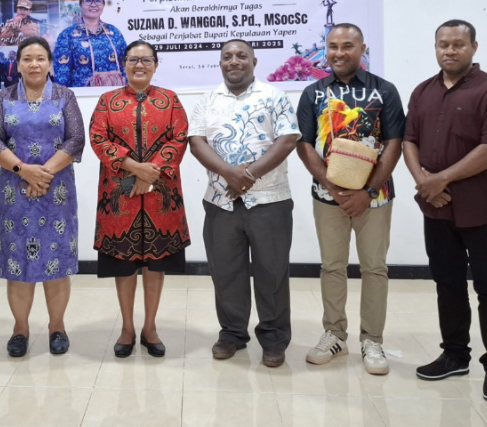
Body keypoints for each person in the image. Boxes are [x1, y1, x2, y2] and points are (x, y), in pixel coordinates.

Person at [402, 19, 487, 402]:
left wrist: (441, 179)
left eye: (458, 44)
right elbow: (409, 140)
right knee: (447, 284)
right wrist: (423, 181)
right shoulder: (422, 91)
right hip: (435, 208)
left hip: (481, 208)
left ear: (474, 47)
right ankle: (454, 355)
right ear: (435, 47)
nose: (450, 50)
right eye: (443, 44)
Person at [296, 23, 404, 376]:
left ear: (362, 49)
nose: (339, 53)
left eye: (347, 46)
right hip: (327, 197)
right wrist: (333, 188)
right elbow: (304, 144)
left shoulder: (384, 91)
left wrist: (367, 191)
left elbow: (395, 143)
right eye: (332, 46)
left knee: (374, 268)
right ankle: (335, 335)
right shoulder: (313, 93)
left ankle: (372, 340)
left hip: (375, 197)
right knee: (332, 266)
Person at [189, 39, 300, 368]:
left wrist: (248, 175)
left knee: (272, 272)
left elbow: (287, 139)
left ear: (254, 61)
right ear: (220, 63)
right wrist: (230, 174)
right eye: (227, 56)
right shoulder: (207, 100)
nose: (234, 61)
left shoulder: (274, 96)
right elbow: (196, 142)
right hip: (220, 202)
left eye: (241, 56)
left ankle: (274, 338)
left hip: (269, 200)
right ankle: (232, 333)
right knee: (226, 272)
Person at [0, 36, 84, 357]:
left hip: (57, 194)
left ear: (50, 64)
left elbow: (75, 139)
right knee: (18, 264)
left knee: (57, 264)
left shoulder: (65, 97)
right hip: (15, 194)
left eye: (40, 58)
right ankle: (20, 329)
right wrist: (24, 170)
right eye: (27, 58)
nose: (34, 64)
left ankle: (57, 327)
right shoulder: (4, 98)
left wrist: (43, 174)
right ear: (18, 64)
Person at [90, 40, 190, 358]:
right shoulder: (107, 101)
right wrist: (134, 168)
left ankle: (150, 327)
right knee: (123, 265)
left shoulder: (170, 100)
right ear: (124, 64)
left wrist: (150, 173)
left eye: (146, 60)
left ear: (156, 65)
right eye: (133, 59)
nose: (139, 65)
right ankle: (127, 328)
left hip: (160, 195)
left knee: (156, 264)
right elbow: (98, 138)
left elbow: (179, 137)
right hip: (120, 196)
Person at [53, 0, 127, 87]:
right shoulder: (67, 36)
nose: (93, 5)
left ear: (103, 5)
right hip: (82, 95)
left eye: (98, 0)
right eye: (88, 1)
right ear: (80, 5)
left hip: (114, 94)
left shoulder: (114, 33)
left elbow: (126, 66)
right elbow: (62, 75)